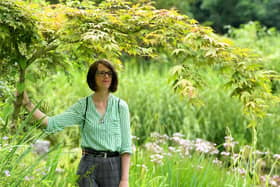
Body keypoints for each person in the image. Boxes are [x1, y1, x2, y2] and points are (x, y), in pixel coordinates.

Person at [22, 59, 132, 187]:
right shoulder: (83, 106)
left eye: (109, 73)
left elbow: (126, 147)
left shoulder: (120, 106)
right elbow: (51, 123)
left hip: (113, 166)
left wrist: (124, 180)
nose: (106, 76)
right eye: (101, 73)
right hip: (88, 164)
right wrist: (27, 104)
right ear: (93, 77)